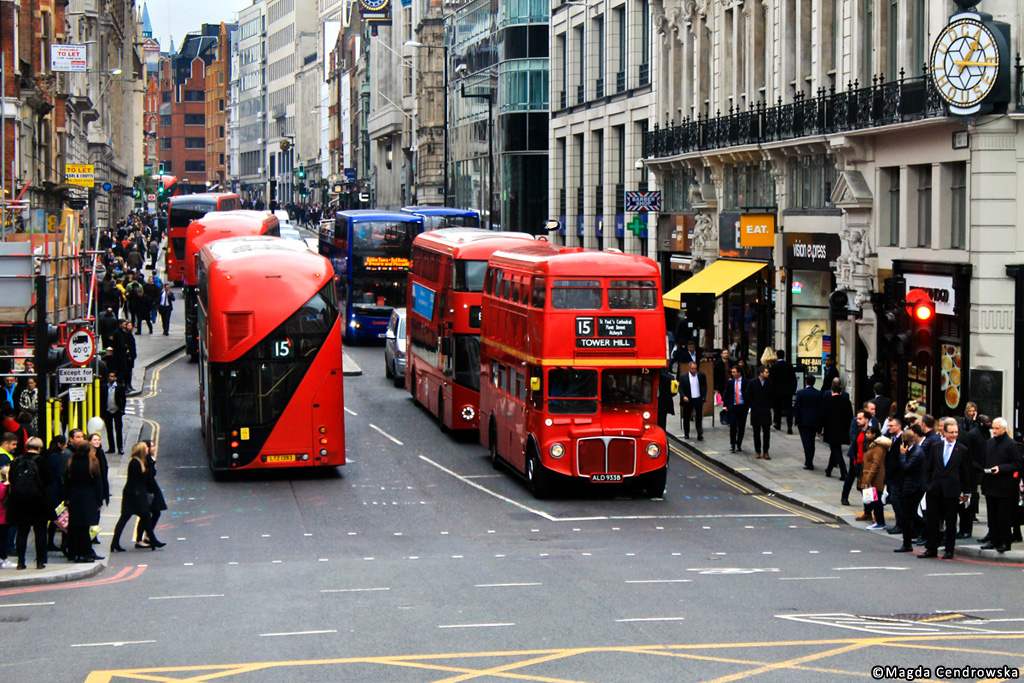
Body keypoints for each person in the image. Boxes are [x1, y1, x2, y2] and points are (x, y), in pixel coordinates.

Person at [919, 420, 971, 559]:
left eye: (956, 432)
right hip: (934, 490)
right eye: (951, 432)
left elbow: (965, 473)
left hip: (952, 491)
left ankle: (949, 550)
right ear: (944, 432)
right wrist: (928, 486)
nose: (954, 435)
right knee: (932, 522)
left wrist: (966, 492)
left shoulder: (962, 450)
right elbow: (929, 468)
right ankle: (931, 549)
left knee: (951, 522)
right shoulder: (936, 447)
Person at [6, 437, 52, 569]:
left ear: (26, 447)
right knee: (40, 532)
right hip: (38, 501)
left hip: (20, 501)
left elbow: (11, 479)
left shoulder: (17, 461)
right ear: (39, 448)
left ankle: (21, 562)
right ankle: (39, 561)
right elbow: (49, 479)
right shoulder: (42, 461)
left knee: (22, 532)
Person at [110, 443, 165, 552]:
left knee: (144, 517)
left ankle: (116, 543)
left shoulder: (141, 461)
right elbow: (135, 481)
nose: (147, 450)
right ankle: (115, 543)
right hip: (134, 497)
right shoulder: (135, 463)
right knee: (126, 518)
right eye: (145, 448)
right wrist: (139, 496)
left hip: (136, 495)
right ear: (141, 450)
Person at [979, 417, 1022, 553]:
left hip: (1004, 486)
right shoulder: (989, 443)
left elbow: (1017, 464)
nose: (994, 430)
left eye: (997, 428)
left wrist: (1001, 468)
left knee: (1003, 516)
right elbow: (984, 459)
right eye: (994, 428)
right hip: (990, 483)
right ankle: (993, 539)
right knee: (992, 515)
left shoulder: (1011, 444)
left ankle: (1005, 541)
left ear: (1004, 429)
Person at [957, 414, 991, 539]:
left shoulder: (986, 434)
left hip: (980, 469)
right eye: (986, 422)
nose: (989, 425)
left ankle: (967, 527)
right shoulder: (972, 435)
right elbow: (969, 453)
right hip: (972, 469)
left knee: (972, 498)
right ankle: (964, 528)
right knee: (968, 500)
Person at [895, 428, 927, 553]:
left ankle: (907, 543)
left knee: (908, 516)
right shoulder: (913, 450)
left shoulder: (917, 452)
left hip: (914, 488)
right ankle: (933, 530)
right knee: (912, 515)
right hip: (910, 486)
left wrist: (902, 455)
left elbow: (906, 468)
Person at [136, 439, 168, 547]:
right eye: (152, 446)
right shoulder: (145, 461)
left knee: (153, 513)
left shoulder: (149, 459)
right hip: (148, 491)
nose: (154, 448)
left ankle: (146, 537)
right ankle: (142, 539)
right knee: (148, 514)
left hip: (151, 490)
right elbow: (148, 478)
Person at [820, 379, 852, 480]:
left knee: (836, 450)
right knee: (835, 449)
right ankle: (829, 470)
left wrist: (819, 430)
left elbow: (823, 417)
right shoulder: (847, 402)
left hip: (831, 430)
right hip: (843, 430)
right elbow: (850, 417)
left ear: (832, 391)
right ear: (841, 392)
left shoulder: (828, 402)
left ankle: (844, 473)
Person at [859, 424, 889, 530]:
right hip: (872, 477)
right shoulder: (873, 445)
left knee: (877, 501)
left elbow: (876, 464)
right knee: (875, 500)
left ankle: (880, 522)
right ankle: (879, 521)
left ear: (874, 434)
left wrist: (869, 478)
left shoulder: (878, 448)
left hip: (876, 478)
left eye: (868, 433)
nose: (866, 435)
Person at [793, 375, 822, 470]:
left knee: (806, 442)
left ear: (806, 382)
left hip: (803, 421)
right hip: (814, 421)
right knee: (811, 442)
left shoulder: (801, 393)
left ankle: (809, 462)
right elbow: (820, 409)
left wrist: (796, 420)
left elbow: (797, 407)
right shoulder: (818, 393)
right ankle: (810, 460)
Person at [44, 435, 67, 552]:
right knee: (56, 516)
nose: (65, 446)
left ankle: (50, 542)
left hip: (52, 488)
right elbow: (59, 473)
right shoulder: (55, 456)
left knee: (55, 517)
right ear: (59, 444)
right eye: (64, 443)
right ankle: (50, 543)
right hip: (55, 489)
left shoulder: (49, 454)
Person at [882, 416, 905, 535]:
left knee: (897, 500)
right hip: (892, 475)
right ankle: (899, 524)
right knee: (894, 500)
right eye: (888, 426)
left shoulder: (902, 439)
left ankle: (900, 525)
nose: (889, 428)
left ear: (899, 426)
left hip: (898, 476)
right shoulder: (891, 438)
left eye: (891, 426)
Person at [844, 410, 871, 509]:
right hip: (855, 457)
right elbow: (852, 437)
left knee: (865, 485)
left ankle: (869, 506)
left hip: (866, 460)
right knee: (851, 477)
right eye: (857, 418)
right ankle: (844, 497)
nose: (857, 420)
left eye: (860, 418)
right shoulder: (857, 428)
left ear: (866, 420)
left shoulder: (872, 429)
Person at [747, 365, 774, 460]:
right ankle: (757, 451)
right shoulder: (753, 383)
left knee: (766, 432)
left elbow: (772, 396)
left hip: (766, 410)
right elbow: (748, 395)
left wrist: (769, 404)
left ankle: (766, 451)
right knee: (756, 432)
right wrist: (752, 404)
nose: (768, 374)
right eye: (766, 372)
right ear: (761, 373)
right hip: (756, 410)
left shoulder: (769, 383)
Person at [769, 349, 797, 434]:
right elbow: (794, 379)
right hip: (788, 391)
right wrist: (793, 390)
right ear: (784, 356)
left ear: (777, 357)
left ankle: (777, 424)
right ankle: (789, 426)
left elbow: (771, 380)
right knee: (789, 409)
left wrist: (772, 391)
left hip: (777, 391)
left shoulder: (774, 367)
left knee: (777, 408)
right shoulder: (789, 366)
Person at [679, 361, 708, 441]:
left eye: (695, 369)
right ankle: (686, 433)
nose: (694, 370)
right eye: (692, 369)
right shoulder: (683, 377)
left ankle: (699, 433)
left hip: (698, 399)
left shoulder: (701, 376)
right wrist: (683, 396)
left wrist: (703, 397)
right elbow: (680, 388)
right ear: (689, 368)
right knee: (686, 417)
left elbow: (705, 387)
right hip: (688, 400)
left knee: (699, 417)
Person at [724, 365, 749, 453]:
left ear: (739, 373)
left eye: (734, 372)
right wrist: (725, 405)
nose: (733, 374)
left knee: (741, 427)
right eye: (732, 372)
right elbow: (727, 394)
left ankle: (739, 444)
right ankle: (733, 444)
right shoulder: (731, 382)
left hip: (742, 407)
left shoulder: (746, 382)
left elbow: (748, 394)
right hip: (733, 407)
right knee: (733, 426)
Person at [101, 372, 127, 454]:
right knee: (109, 430)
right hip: (108, 411)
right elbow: (101, 399)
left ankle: (120, 448)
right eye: (109, 376)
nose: (110, 378)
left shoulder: (119, 387)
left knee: (118, 430)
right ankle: (111, 448)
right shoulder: (104, 387)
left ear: (115, 378)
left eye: (112, 376)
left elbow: (123, 399)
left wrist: (122, 409)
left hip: (117, 411)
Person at [0, 463, 11, 568]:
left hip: (3, 518)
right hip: (2, 518)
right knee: (3, 539)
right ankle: (3, 558)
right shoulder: (4, 487)